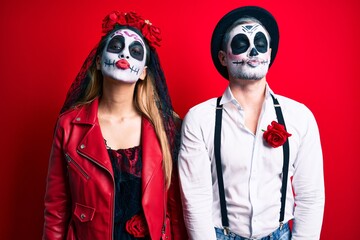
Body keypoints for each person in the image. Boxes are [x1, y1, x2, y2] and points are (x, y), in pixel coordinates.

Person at [178, 5, 325, 240]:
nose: (253, 52)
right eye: (240, 44)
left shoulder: (300, 116)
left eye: (260, 43)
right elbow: (195, 200)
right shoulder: (199, 119)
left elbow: (311, 196)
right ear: (223, 57)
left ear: (269, 53)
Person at [43, 10, 187, 240]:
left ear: (143, 72)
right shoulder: (69, 125)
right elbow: (56, 210)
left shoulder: (166, 127)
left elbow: (175, 210)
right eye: (116, 46)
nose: (125, 54)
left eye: (136, 51)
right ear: (99, 62)